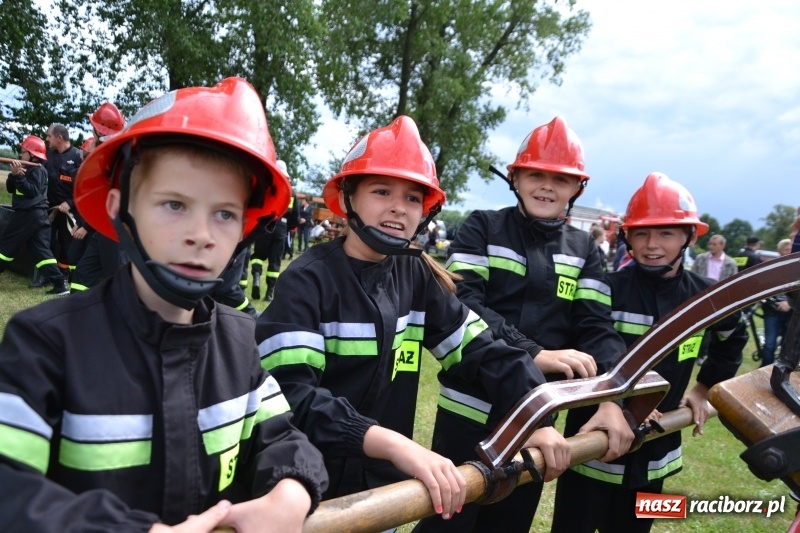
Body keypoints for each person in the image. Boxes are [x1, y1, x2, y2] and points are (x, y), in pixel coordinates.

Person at [0, 77, 328, 531]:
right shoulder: (44, 343)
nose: (202, 234)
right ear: (119, 208)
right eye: (174, 204)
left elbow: (283, 437)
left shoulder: (239, 342)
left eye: (225, 213)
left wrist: (293, 490)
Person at [255, 116, 569, 522]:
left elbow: (482, 350)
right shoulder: (307, 280)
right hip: (308, 495)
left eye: (412, 198)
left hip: (383, 494)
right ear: (348, 197)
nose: (397, 208)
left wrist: (534, 416)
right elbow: (293, 397)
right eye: (381, 191)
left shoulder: (416, 275)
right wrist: (396, 445)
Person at [419, 116, 632, 533]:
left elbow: (596, 328)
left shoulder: (585, 247)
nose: (547, 186)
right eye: (535, 174)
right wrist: (535, 353)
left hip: (539, 414)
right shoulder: (483, 226)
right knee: (449, 520)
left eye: (561, 178)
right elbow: (463, 302)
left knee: (510, 522)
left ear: (577, 189)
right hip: (471, 407)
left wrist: (613, 400)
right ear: (515, 178)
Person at [551, 172, 746, 533]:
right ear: (626, 237)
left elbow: (733, 338)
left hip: (657, 454)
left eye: (666, 233)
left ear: (690, 236)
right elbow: (585, 349)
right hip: (592, 449)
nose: (651, 244)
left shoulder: (708, 299)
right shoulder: (604, 290)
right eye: (641, 233)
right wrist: (624, 402)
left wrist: (703, 389)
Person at [70, 102, 128, 292]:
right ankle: (77, 313)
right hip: (103, 228)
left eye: (93, 128)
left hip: (117, 230)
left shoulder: (114, 153)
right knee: (82, 276)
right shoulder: (112, 151)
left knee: (118, 281)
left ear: (99, 132)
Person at [0, 136, 69, 295]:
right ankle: (60, 283)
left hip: (29, 214)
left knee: (6, 245)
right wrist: (14, 174)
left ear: (32, 154)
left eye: (23, 151)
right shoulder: (26, 168)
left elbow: (31, 191)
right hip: (33, 215)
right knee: (41, 251)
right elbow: (11, 188)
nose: (20, 154)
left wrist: (19, 177)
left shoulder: (37, 170)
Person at [41, 123, 83, 286]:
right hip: (49, 209)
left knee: (67, 244)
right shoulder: (48, 155)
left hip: (69, 211)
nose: (47, 139)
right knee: (47, 241)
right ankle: (47, 275)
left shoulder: (78, 157)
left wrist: (70, 202)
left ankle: (64, 275)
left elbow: (84, 189)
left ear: (59, 138)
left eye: (49, 136)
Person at [250, 161, 299, 301]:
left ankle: (256, 278)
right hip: (281, 229)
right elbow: (295, 216)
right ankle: (270, 292)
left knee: (258, 256)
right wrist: (287, 228)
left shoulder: (265, 186)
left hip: (264, 226)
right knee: (275, 261)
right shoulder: (291, 193)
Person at [691, 233, 739, 365]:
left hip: (719, 299)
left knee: (710, 327)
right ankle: (693, 353)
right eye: (710, 244)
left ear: (722, 245)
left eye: (714, 244)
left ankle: (701, 355)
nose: (711, 246)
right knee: (695, 326)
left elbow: (733, 284)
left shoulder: (730, 263)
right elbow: (692, 276)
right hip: (699, 297)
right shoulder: (701, 258)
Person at [760, 238, 794, 367]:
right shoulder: (772, 268)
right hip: (772, 311)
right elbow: (764, 286)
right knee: (769, 344)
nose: (790, 251)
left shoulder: (796, 268)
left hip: (791, 313)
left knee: (787, 345)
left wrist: (789, 303)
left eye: (791, 249)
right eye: (786, 249)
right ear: (779, 251)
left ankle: (779, 370)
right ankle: (764, 370)